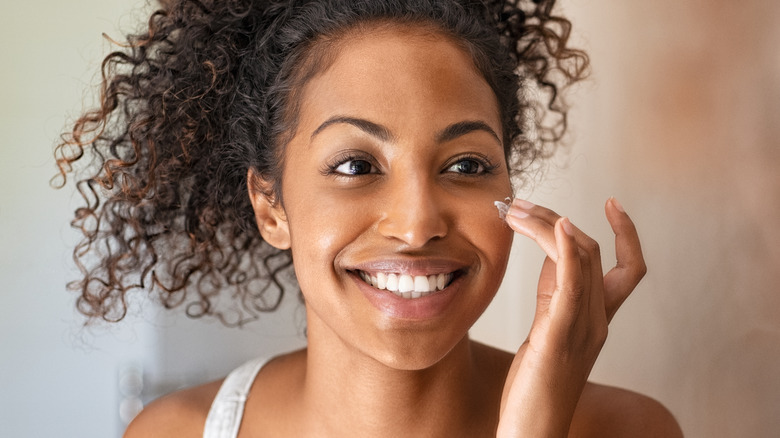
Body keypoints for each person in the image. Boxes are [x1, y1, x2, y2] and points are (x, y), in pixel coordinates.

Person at [54, 0, 683, 436]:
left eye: (465, 165)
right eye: (356, 165)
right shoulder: (174, 434)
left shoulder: (629, 431)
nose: (416, 225)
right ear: (271, 207)